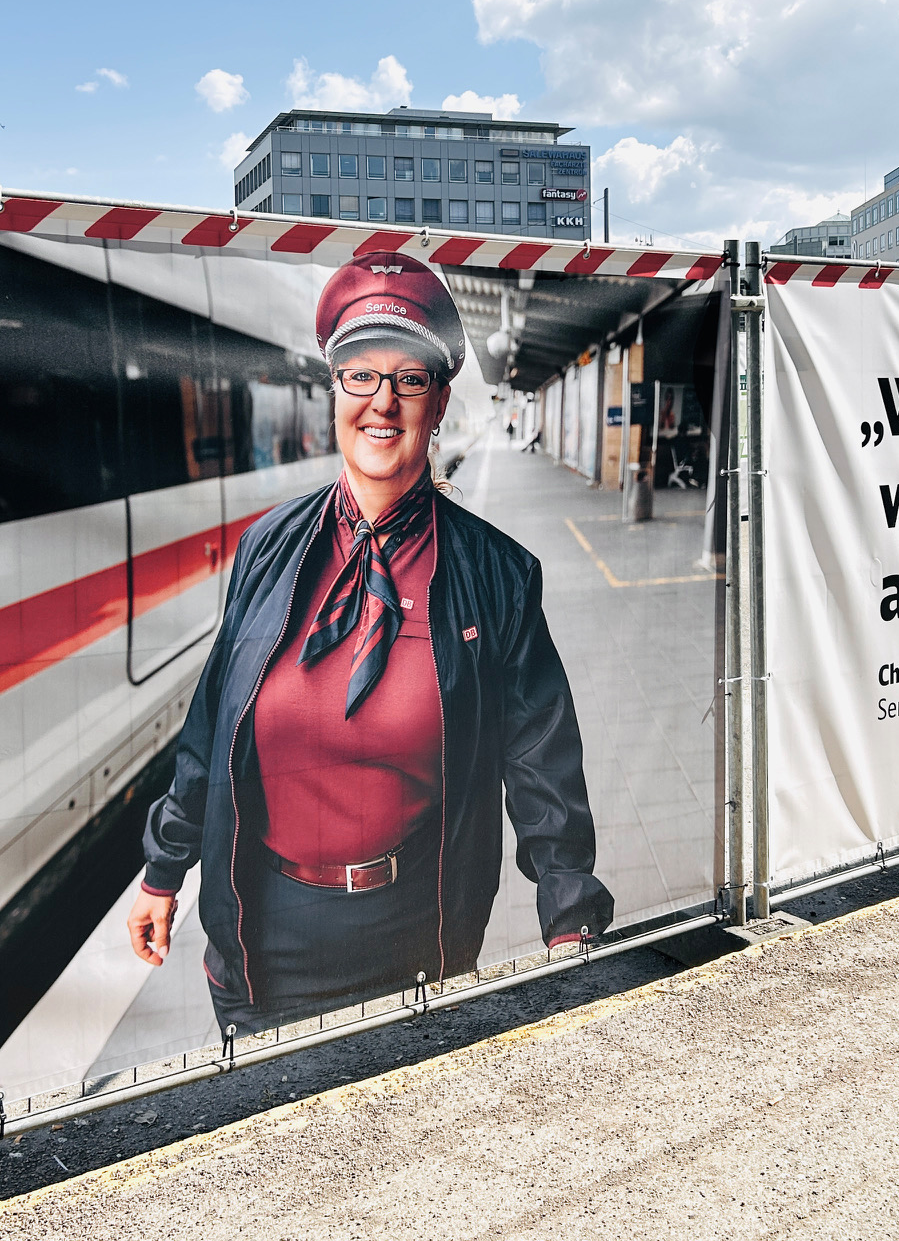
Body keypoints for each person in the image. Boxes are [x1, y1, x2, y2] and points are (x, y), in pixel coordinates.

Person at [126, 251, 612, 1033]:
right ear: (334, 391)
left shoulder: (498, 575)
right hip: (262, 949)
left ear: (439, 400)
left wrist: (571, 918)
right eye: (360, 375)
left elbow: (541, 760)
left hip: (419, 941)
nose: (382, 401)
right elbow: (213, 724)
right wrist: (163, 869)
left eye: (409, 379)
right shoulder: (268, 549)